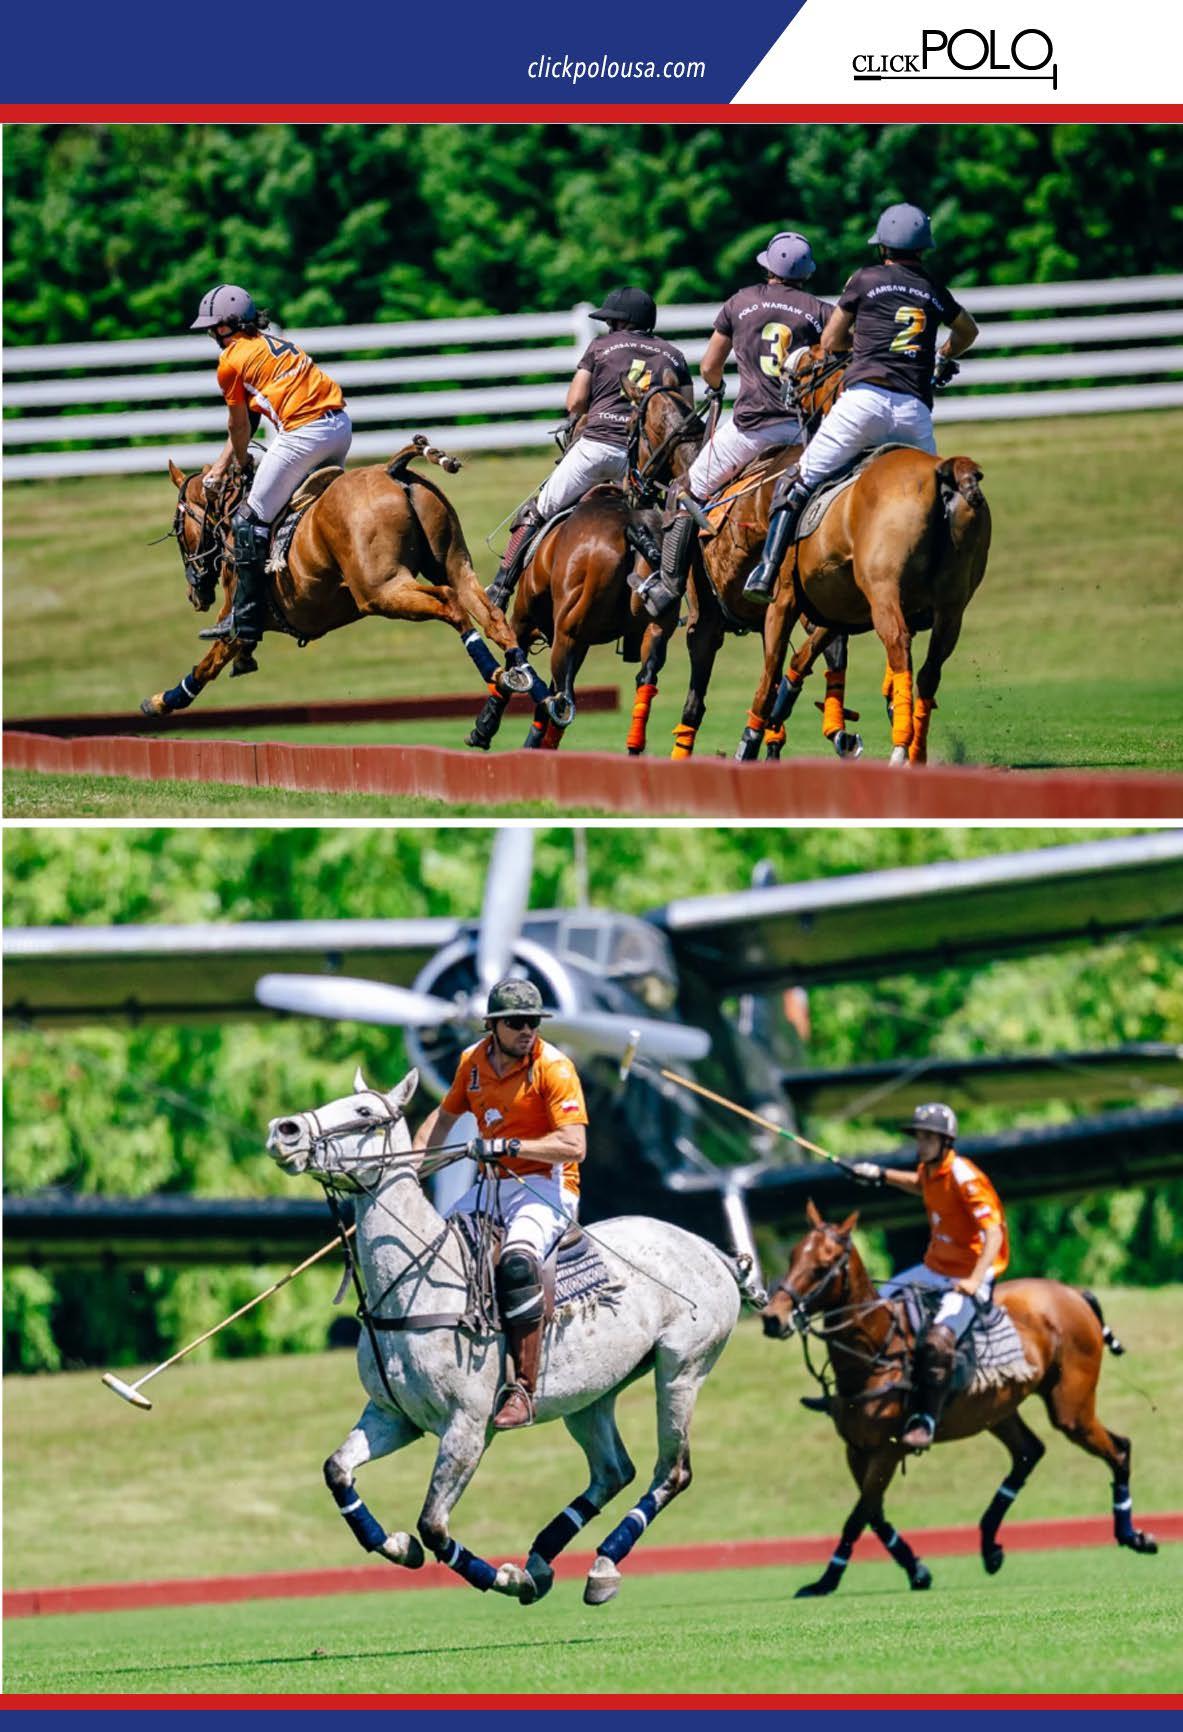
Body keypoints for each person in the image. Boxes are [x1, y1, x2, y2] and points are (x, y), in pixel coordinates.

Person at [743, 203, 980, 603]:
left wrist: (867, 344)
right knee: (939, 498)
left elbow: (831, 340)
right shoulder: (932, 288)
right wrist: (942, 356)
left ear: (882, 246)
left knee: (796, 481)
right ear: (923, 247)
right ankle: (937, 588)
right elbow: (968, 332)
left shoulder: (864, 279)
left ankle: (765, 573)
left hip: (863, 405)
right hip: (912, 413)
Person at [414, 977, 588, 1430]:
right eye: (516, 1022)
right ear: (492, 1026)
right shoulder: (471, 1063)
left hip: (546, 1187)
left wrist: (509, 1146)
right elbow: (444, 1118)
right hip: (493, 1186)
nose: (527, 1030)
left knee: (517, 1262)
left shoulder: (554, 1067)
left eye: (533, 1021)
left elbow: (574, 1145)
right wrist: (410, 1169)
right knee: (435, 1248)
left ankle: (522, 1389)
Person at [634, 231, 832, 619]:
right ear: (806, 273)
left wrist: (716, 386)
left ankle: (669, 587)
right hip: (803, 433)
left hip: (750, 430)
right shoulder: (822, 312)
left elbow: (710, 365)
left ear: (768, 267)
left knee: (683, 490)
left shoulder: (740, 301)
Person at [487, 287, 692, 611]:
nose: (609, 327)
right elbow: (683, 414)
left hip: (594, 451)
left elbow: (575, 402)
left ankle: (500, 589)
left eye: (612, 322)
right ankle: (676, 592)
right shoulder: (674, 356)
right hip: (641, 465)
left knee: (536, 511)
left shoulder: (600, 346)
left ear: (622, 323)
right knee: (677, 521)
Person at [189, 285, 353, 650]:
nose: (211, 334)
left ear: (227, 326)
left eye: (213, 327)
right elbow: (248, 420)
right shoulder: (274, 343)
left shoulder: (231, 361)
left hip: (304, 434)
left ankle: (245, 617)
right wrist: (222, 465)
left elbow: (238, 426)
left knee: (248, 520)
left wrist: (241, 461)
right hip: (340, 427)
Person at [851, 1101, 1008, 1451]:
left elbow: (994, 1233)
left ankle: (926, 1418)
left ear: (945, 1141)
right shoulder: (931, 1171)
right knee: (871, 1310)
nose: (920, 1144)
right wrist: (879, 1174)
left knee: (937, 1342)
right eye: (918, 1137)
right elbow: (919, 1183)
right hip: (935, 1267)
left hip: (970, 1275)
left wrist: (973, 1281)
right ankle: (860, 1390)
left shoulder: (964, 1177)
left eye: (927, 1138)